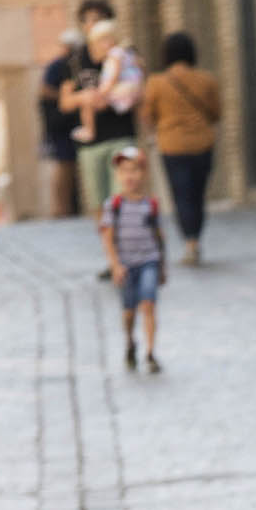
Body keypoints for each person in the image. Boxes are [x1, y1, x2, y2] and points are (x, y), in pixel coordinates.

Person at [140, 32, 220, 266]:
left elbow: (147, 116)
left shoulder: (156, 82)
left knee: (181, 195)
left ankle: (190, 242)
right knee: (198, 194)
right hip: (202, 143)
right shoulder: (207, 80)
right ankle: (195, 238)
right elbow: (217, 113)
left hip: (172, 145)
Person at [62, 15, 141, 219]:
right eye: (89, 22)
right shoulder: (76, 62)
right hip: (92, 146)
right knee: (98, 201)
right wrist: (85, 97)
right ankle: (109, 245)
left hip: (121, 135)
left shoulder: (122, 55)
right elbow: (65, 102)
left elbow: (140, 89)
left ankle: (122, 239)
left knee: (122, 194)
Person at [99, 146, 166, 374]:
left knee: (148, 305)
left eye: (134, 170)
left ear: (143, 174)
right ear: (118, 176)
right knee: (129, 311)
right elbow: (107, 237)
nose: (129, 176)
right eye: (124, 171)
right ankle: (130, 342)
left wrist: (162, 266)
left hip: (149, 260)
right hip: (126, 265)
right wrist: (115, 265)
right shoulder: (114, 206)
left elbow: (159, 237)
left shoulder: (151, 205)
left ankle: (150, 352)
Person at [38, 29, 84, 217]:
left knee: (71, 165)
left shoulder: (75, 65)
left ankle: (71, 207)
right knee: (63, 164)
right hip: (60, 124)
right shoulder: (57, 66)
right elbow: (44, 91)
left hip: (73, 121)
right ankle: (61, 208)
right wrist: (68, 97)